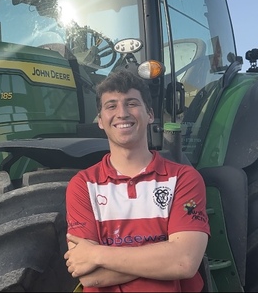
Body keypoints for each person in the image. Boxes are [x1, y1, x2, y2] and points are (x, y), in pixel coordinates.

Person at [64, 70, 210, 292]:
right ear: (100, 120)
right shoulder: (82, 185)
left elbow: (184, 261)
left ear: (150, 114)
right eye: (111, 106)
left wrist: (96, 254)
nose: (122, 113)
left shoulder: (183, 179)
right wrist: (164, 258)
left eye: (131, 103)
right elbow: (90, 276)